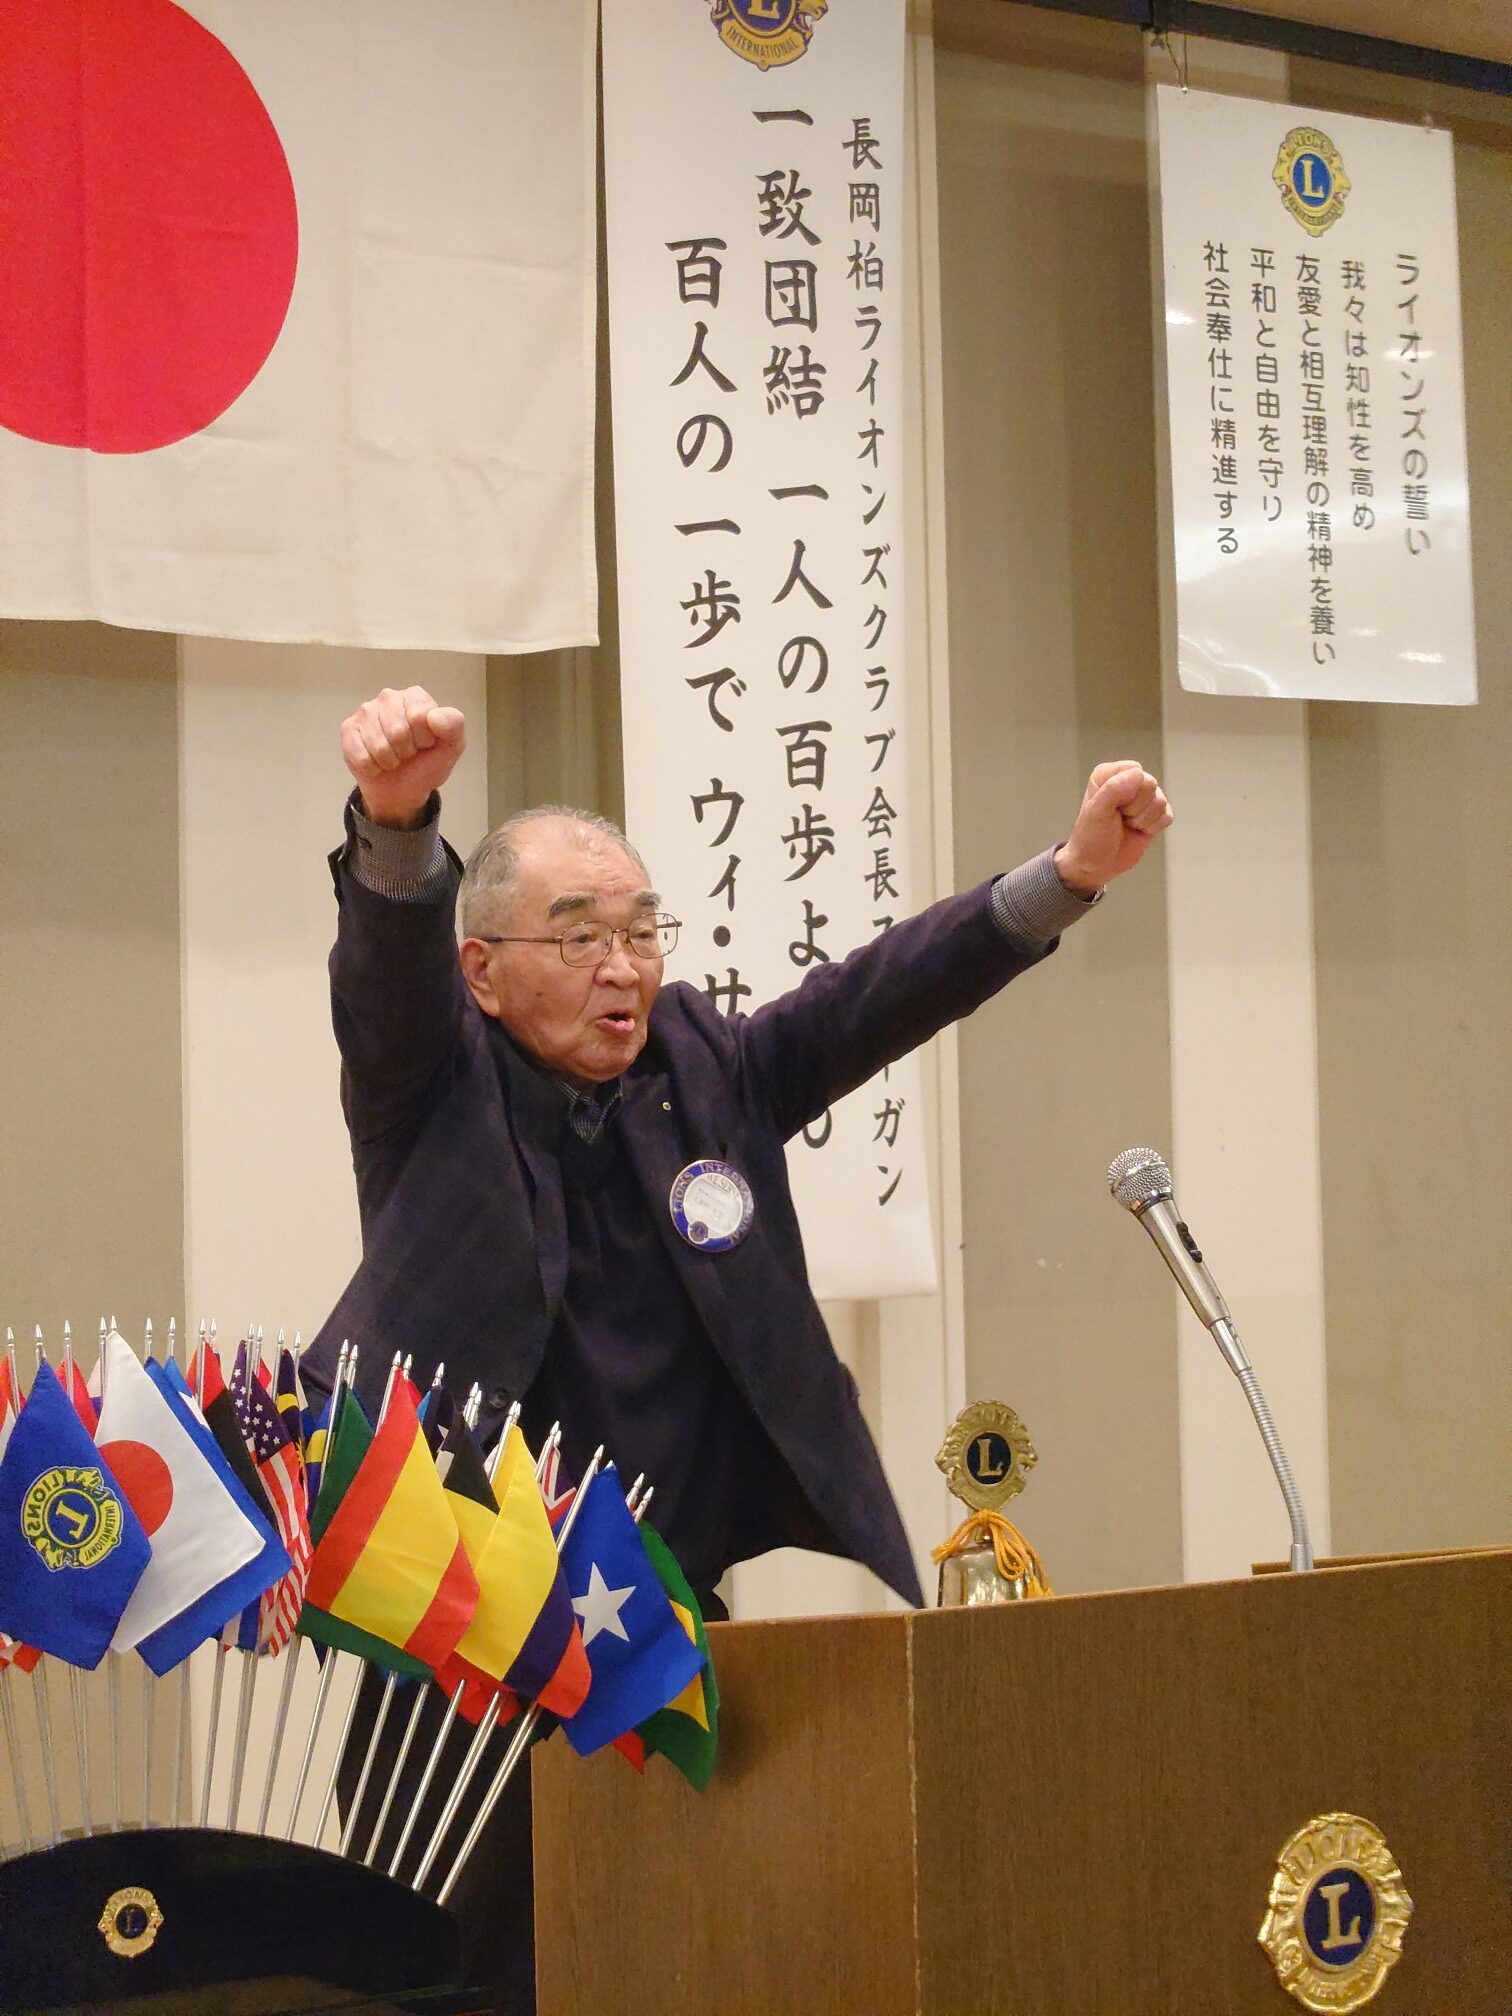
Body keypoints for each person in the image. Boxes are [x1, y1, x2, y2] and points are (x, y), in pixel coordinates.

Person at [304, 682, 1172, 2012]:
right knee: (444, 1978)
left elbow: (871, 999)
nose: (623, 968)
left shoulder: (702, 1070)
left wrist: (1068, 877)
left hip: (652, 1626)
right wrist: (397, 822)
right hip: (455, 1642)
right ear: (482, 971)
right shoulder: (430, 1081)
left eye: (641, 932)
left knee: (678, 1955)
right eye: (579, 935)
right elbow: (384, 977)